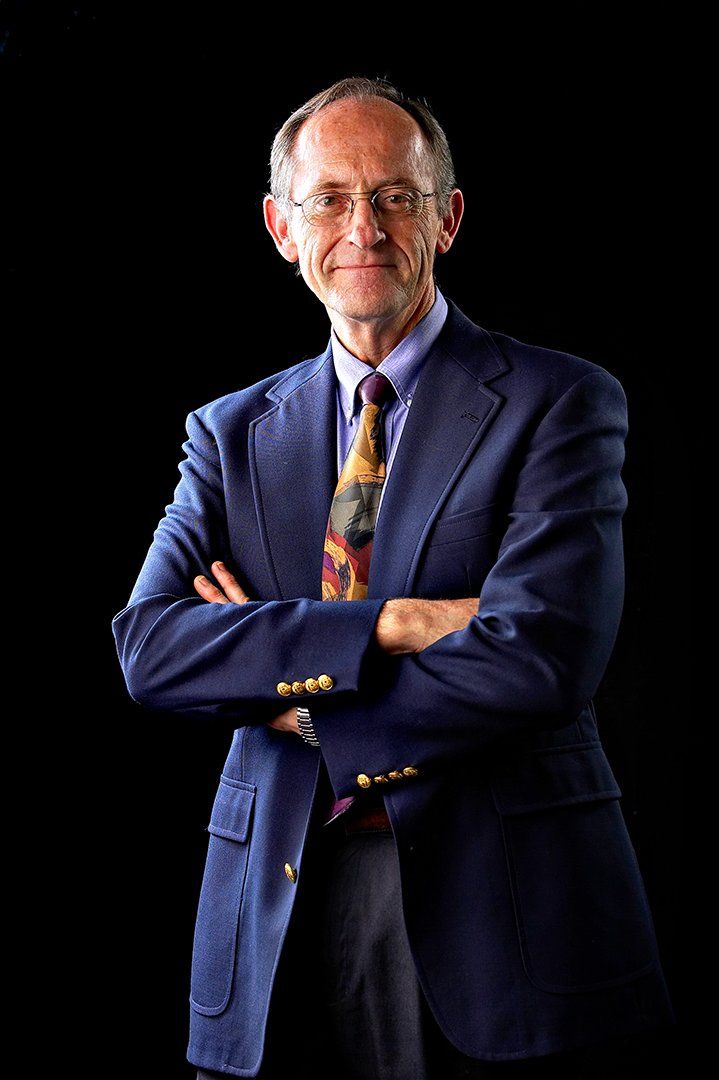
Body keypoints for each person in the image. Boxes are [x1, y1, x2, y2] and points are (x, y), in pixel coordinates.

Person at [111, 76, 676, 1079]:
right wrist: (397, 623)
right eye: (328, 198)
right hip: (273, 916)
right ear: (283, 228)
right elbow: (153, 650)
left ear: (445, 217)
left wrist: (290, 693)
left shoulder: (556, 404)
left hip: (504, 917)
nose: (361, 228)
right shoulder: (229, 434)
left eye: (394, 197)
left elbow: (539, 660)